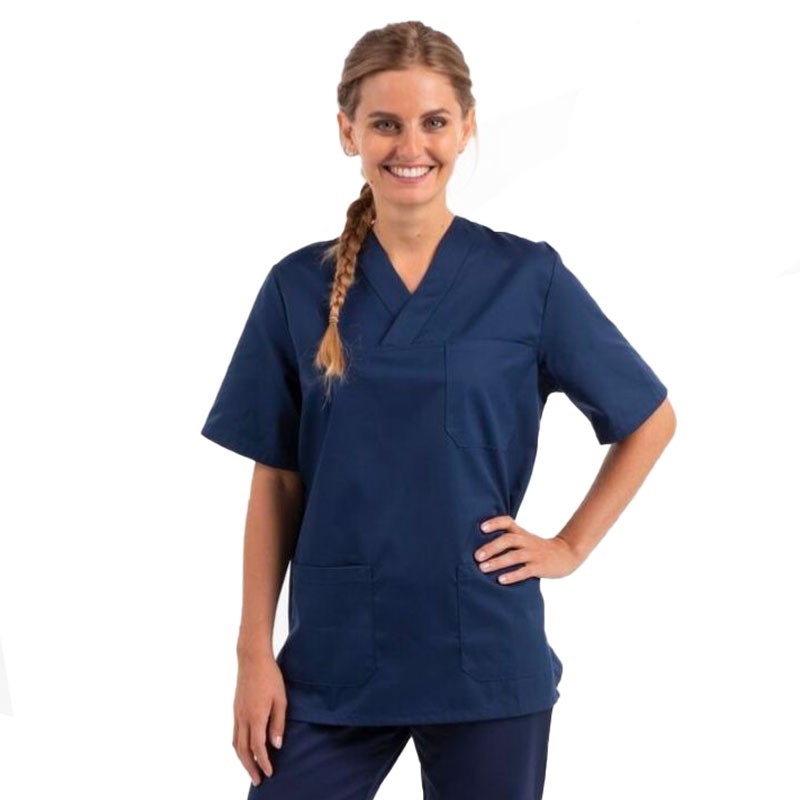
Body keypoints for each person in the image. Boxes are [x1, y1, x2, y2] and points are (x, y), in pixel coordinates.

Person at [200, 19, 676, 799]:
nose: (410, 145)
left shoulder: (527, 280)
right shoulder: (295, 288)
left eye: (433, 121)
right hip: (335, 656)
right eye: (385, 123)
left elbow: (649, 418)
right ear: (348, 131)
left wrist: (569, 546)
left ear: (466, 128)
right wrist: (253, 653)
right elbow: (277, 481)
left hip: (482, 652)